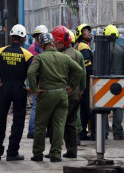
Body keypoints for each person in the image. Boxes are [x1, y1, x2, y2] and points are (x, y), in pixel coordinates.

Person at [28, 33, 83, 162]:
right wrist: (72, 85)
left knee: (41, 125)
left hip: (46, 94)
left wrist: (35, 90)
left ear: (41, 45)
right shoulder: (64, 57)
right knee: (59, 125)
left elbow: (30, 72)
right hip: (62, 95)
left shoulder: (40, 58)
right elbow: (79, 70)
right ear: (52, 42)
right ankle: (56, 155)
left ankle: (38, 154)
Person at [0, 24, 33, 161]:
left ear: (11, 37)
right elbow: (34, 72)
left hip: (4, 89)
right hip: (20, 90)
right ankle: (12, 153)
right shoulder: (27, 55)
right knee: (18, 122)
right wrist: (32, 88)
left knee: (1, 121)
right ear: (23, 39)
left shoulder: (0, 52)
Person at [50, 26, 86, 158]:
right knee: (71, 124)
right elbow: (83, 73)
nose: (53, 44)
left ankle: (56, 151)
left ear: (61, 42)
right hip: (76, 94)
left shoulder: (61, 56)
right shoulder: (78, 53)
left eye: (55, 42)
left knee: (58, 122)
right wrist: (81, 88)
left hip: (65, 94)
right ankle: (72, 151)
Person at [102, 24, 124, 140]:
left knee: (103, 107)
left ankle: (103, 132)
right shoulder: (123, 49)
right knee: (118, 107)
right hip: (119, 83)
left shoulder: (101, 50)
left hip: (103, 82)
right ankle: (117, 132)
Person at [27, 25, 48, 139]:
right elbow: (33, 70)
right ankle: (32, 130)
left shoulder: (41, 48)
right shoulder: (33, 49)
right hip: (37, 83)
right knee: (36, 106)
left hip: (42, 83)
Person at [75, 23, 96, 141]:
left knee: (83, 108)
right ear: (80, 34)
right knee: (90, 108)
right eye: (86, 31)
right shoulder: (83, 47)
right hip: (87, 80)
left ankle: (82, 133)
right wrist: (93, 75)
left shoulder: (80, 46)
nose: (89, 32)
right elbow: (87, 65)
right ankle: (95, 133)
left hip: (82, 81)